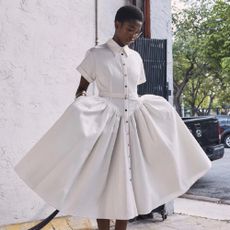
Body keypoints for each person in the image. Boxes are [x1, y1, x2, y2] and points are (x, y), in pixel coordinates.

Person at [14, 5, 212, 230]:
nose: (134, 36)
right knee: (105, 185)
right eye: (130, 30)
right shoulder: (95, 55)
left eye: (137, 32)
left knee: (128, 186)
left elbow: (132, 92)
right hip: (107, 127)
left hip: (134, 124)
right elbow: (81, 90)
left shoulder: (136, 58)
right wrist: (84, 108)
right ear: (117, 25)